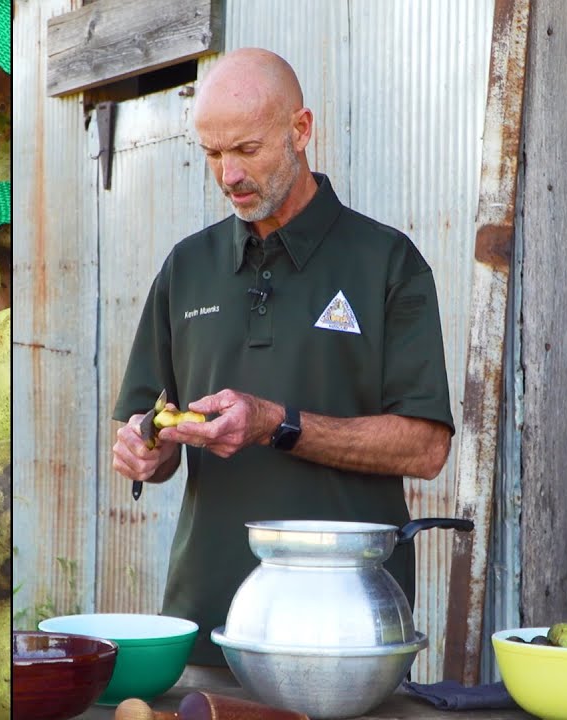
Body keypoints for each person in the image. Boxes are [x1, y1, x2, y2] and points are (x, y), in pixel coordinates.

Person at [110, 47, 456, 668]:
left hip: (346, 630)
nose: (228, 176)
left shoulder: (387, 263)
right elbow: (146, 432)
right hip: (207, 623)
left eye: (246, 150)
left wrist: (277, 424)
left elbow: (425, 448)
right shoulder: (186, 268)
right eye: (212, 154)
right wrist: (143, 449)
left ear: (301, 130)